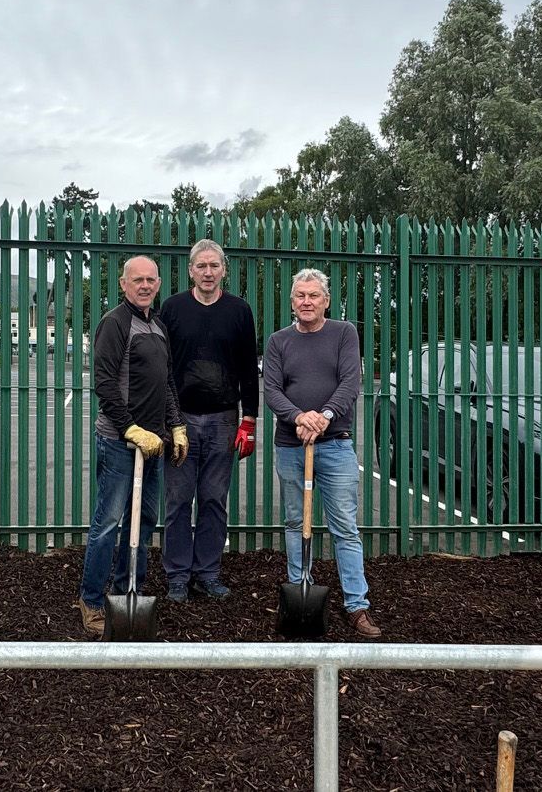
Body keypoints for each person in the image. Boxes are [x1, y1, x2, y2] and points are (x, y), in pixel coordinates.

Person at [262, 268, 382, 638]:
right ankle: (301, 593)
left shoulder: (344, 334)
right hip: (291, 446)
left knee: (344, 527)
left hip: (336, 444)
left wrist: (323, 417)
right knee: (297, 523)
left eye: (314, 295)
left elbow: (350, 382)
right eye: (301, 296)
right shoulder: (279, 341)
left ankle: (356, 606)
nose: (307, 301)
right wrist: (299, 416)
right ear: (293, 301)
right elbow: (271, 390)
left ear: (326, 300)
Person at [77, 255, 188, 635]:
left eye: (150, 280)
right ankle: (91, 601)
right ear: (123, 284)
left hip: (153, 444)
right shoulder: (114, 323)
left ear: (158, 284)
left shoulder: (157, 325)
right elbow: (104, 385)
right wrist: (131, 430)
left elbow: (168, 382)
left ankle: (128, 589)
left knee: (144, 520)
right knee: (108, 523)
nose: (144, 285)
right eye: (136, 279)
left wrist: (176, 426)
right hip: (118, 441)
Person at [157, 239, 259, 602]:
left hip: (222, 420)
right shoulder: (171, 309)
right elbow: (162, 367)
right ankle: (178, 576)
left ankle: (208, 573)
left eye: (214, 265)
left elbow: (249, 368)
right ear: (190, 270)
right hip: (180, 420)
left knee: (214, 499)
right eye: (201, 266)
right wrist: (166, 420)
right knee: (179, 500)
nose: (208, 272)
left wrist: (250, 420)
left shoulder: (239, 311)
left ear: (224, 270)